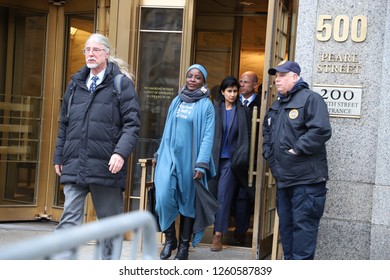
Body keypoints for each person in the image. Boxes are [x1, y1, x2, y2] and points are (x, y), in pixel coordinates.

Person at [53, 33, 140, 259]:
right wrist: (58, 156)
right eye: (87, 50)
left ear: (107, 54)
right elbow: (64, 122)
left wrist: (120, 153)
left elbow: (132, 125)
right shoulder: (75, 84)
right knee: (68, 220)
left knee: (109, 226)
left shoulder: (121, 84)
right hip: (75, 163)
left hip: (105, 166)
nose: (90, 54)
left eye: (96, 50)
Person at [262, 60, 331, 260]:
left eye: (282, 75)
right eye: (276, 76)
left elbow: (321, 130)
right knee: (288, 236)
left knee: (303, 239)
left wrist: (297, 149)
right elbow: (267, 132)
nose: (277, 80)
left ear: (295, 76)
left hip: (307, 183)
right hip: (284, 181)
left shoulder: (311, 99)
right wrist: (269, 154)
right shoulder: (277, 104)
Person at [153, 64, 219, 260]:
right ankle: (169, 239)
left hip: (190, 160)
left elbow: (208, 136)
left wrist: (201, 164)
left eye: (197, 77)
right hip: (169, 156)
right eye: (190, 76)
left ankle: (183, 246)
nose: (192, 80)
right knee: (163, 197)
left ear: (203, 81)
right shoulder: (177, 100)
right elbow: (167, 129)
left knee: (188, 203)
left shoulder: (206, 105)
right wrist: (158, 153)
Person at [208, 76, 251, 251]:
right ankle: (197, 231)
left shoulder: (243, 111)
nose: (233, 94)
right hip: (212, 159)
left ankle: (218, 235)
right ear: (223, 92)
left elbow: (246, 138)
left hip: (231, 162)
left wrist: (240, 158)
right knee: (209, 195)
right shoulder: (214, 109)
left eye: (235, 91)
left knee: (223, 197)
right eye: (229, 91)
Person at [230, 70, 261, 246]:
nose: (241, 85)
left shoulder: (261, 103)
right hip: (231, 157)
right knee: (229, 195)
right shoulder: (231, 101)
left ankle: (240, 233)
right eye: (240, 81)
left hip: (251, 159)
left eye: (246, 82)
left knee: (244, 197)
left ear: (255, 85)